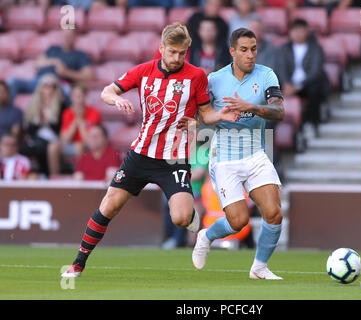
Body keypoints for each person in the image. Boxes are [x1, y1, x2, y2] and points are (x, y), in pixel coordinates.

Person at [61, 23, 240, 278]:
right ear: (161, 49)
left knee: (180, 217)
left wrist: (214, 116)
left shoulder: (197, 76)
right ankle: (78, 263)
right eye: (172, 52)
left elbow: (206, 113)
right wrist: (118, 99)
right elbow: (106, 91)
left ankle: (189, 216)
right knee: (109, 206)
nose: (177, 58)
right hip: (140, 155)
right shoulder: (143, 71)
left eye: (182, 53)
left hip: (174, 159)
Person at [190, 28, 285, 280]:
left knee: (274, 213)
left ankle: (259, 268)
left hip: (255, 152)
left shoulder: (266, 75)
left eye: (253, 49)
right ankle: (206, 235)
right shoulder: (214, 80)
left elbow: (279, 111)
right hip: (225, 157)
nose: (250, 55)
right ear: (232, 51)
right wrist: (193, 123)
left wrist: (251, 107)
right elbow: (201, 112)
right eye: (243, 50)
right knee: (238, 221)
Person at [7, 29, 93, 104]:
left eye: (69, 35)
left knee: (69, 92)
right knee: (12, 82)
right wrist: (55, 62)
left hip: (58, 84)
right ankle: (6, 113)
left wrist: (66, 72)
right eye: (64, 35)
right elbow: (37, 63)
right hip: (38, 81)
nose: (66, 38)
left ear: (75, 37)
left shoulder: (80, 55)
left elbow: (88, 76)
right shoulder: (52, 49)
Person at [278, 18, 330, 137]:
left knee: (315, 88)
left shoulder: (316, 48)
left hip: (307, 85)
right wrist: (286, 84)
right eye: (295, 30)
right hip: (288, 84)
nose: (297, 33)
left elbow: (315, 72)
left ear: (307, 31)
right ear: (290, 33)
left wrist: (297, 86)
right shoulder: (284, 49)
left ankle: (311, 123)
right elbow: (281, 68)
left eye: (301, 30)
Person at [20, 74, 68, 177]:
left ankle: (45, 175)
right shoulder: (34, 104)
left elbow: (60, 128)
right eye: (46, 85)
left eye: (53, 86)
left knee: (41, 147)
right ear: (41, 88)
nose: (50, 89)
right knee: (26, 148)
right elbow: (30, 130)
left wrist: (47, 120)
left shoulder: (61, 105)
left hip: (54, 138)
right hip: (37, 138)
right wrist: (39, 120)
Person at [59, 83, 102, 164]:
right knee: (53, 147)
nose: (78, 99)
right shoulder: (67, 113)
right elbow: (65, 139)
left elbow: (89, 140)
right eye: (75, 95)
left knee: (79, 146)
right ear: (71, 97)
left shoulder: (94, 113)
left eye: (80, 95)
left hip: (88, 145)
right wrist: (76, 120)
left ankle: (80, 172)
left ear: (85, 96)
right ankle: (54, 175)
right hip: (70, 145)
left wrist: (80, 121)